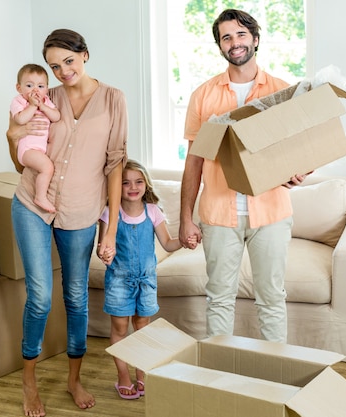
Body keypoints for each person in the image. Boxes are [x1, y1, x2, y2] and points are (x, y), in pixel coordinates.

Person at [6, 28, 128, 417]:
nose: (62, 71)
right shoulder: (42, 96)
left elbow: (116, 165)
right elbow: (20, 157)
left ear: (86, 55)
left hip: (79, 212)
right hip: (32, 204)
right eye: (55, 66)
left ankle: (74, 380)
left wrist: (110, 229)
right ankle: (29, 383)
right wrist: (11, 137)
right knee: (40, 297)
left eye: (69, 62)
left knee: (76, 298)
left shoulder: (113, 99)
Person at [178, 9, 310, 344]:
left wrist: (300, 171)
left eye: (240, 35)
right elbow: (193, 163)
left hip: (271, 213)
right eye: (226, 37)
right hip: (219, 214)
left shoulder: (282, 91)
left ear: (254, 39)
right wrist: (185, 219)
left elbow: (304, 149)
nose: (234, 43)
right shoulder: (203, 95)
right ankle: (220, 380)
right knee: (219, 298)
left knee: (271, 299)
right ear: (219, 46)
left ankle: (273, 378)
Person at [97, 159, 189, 400]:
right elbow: (102, 246)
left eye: (138, 182)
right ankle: (123, 376)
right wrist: (104, 254)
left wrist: (185, 239)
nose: (132, 187)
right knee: (120, 328)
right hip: (119, 281)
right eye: (125, 183)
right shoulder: (110, 213)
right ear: (116, 187)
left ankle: (142, 373)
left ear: (146, 184)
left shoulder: (153, 211)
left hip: (146, 282)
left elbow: (168, 243)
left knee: (142, 327)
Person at [10, 63, 61, 213]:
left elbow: (56, 116)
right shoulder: (19, 101)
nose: (35, 90)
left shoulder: (46, 102)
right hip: (27, 149)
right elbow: (20, 120)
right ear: (19, 88)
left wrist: (43, 107)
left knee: (46, 168)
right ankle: (40, 197)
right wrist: (32, 106)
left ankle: (40, 194)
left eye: (40, 86)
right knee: (47, 167)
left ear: (46, 89)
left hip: (39, 150)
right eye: (29, 85)